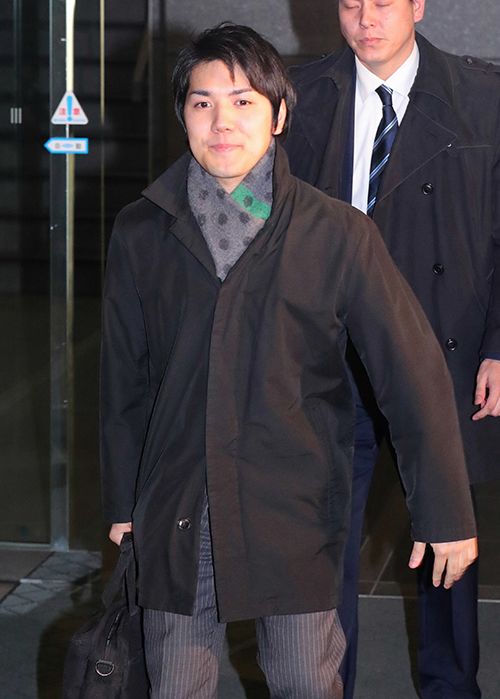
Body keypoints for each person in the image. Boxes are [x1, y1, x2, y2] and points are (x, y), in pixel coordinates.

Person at [100, 22, 478, 699]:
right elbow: (124, 382)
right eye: (202, 102)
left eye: (244, 101)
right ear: (183, 115)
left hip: (293, 506)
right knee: (174, 683)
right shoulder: (141, 230)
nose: (222, 122)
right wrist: (125, 500)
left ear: (277, 116)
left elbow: (412, 375)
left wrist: (444, 511)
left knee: (305, 680)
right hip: (179, 504)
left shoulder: (336, 233)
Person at [284, 1, 500, 697]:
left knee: (446, 534)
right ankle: (324, 684)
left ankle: (451, 687)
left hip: (441, 352)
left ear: (418, 6)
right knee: (324, 539)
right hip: (331, 353)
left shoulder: (482, 95)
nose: (365, 19)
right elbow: (255, 204)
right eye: (351, 3)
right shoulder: (297, 95)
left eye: (382, 2)